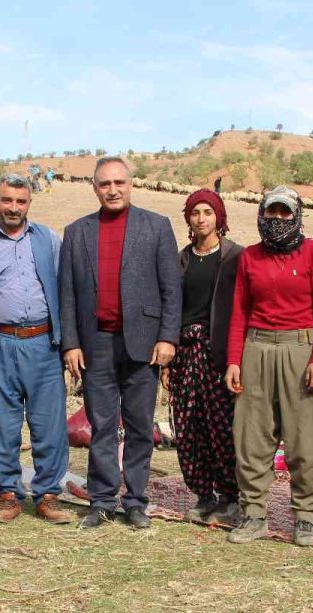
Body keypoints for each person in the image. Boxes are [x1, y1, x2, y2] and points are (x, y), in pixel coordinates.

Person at [59, 157, 181, 529]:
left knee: (142, 426)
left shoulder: (156, 227)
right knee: (102, 425)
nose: (112, 190)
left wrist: (167, 337)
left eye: (119, 183)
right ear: (94, 188)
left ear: (131, 184)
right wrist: (71, 344)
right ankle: (101, 500)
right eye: (104, 184)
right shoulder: (77, 232)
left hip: (143, 344)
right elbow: (67, 294)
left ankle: (136, 501)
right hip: (95, 343)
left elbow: (171, 289)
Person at [224, 186, 313, 546]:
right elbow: (239, 311)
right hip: (255, 347)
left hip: (299, 348)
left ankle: (305, 515)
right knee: (252, 436)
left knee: (304, 437)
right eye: (272, 212)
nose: (277, 220)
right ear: (262, 214)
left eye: (285, 213)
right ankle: (253, 512)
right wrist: (233, 360)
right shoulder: (249, 257)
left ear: (297, 214)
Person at [0, 174, 71, 525]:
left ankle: (48, 495)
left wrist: (69, 344)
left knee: (49, 424)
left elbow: (65, 293)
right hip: (0, 345)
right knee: (2, 425)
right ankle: (8, 495)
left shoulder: (48, 240)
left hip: (44, 344)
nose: (13, 207)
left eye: (20, 201)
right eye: (7, 200)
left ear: (29, 203)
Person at [163, 189, 242, 525]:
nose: (201, 219)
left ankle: (229, 496)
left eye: (208, 212)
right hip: (184, 354)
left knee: (222, 427)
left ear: (219, 217)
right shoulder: (179, 260)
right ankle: (202, 494)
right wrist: (168, 354)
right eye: (195, 212)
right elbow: (169, 307)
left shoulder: (236, 257)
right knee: (189, 427)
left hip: (219, 355)